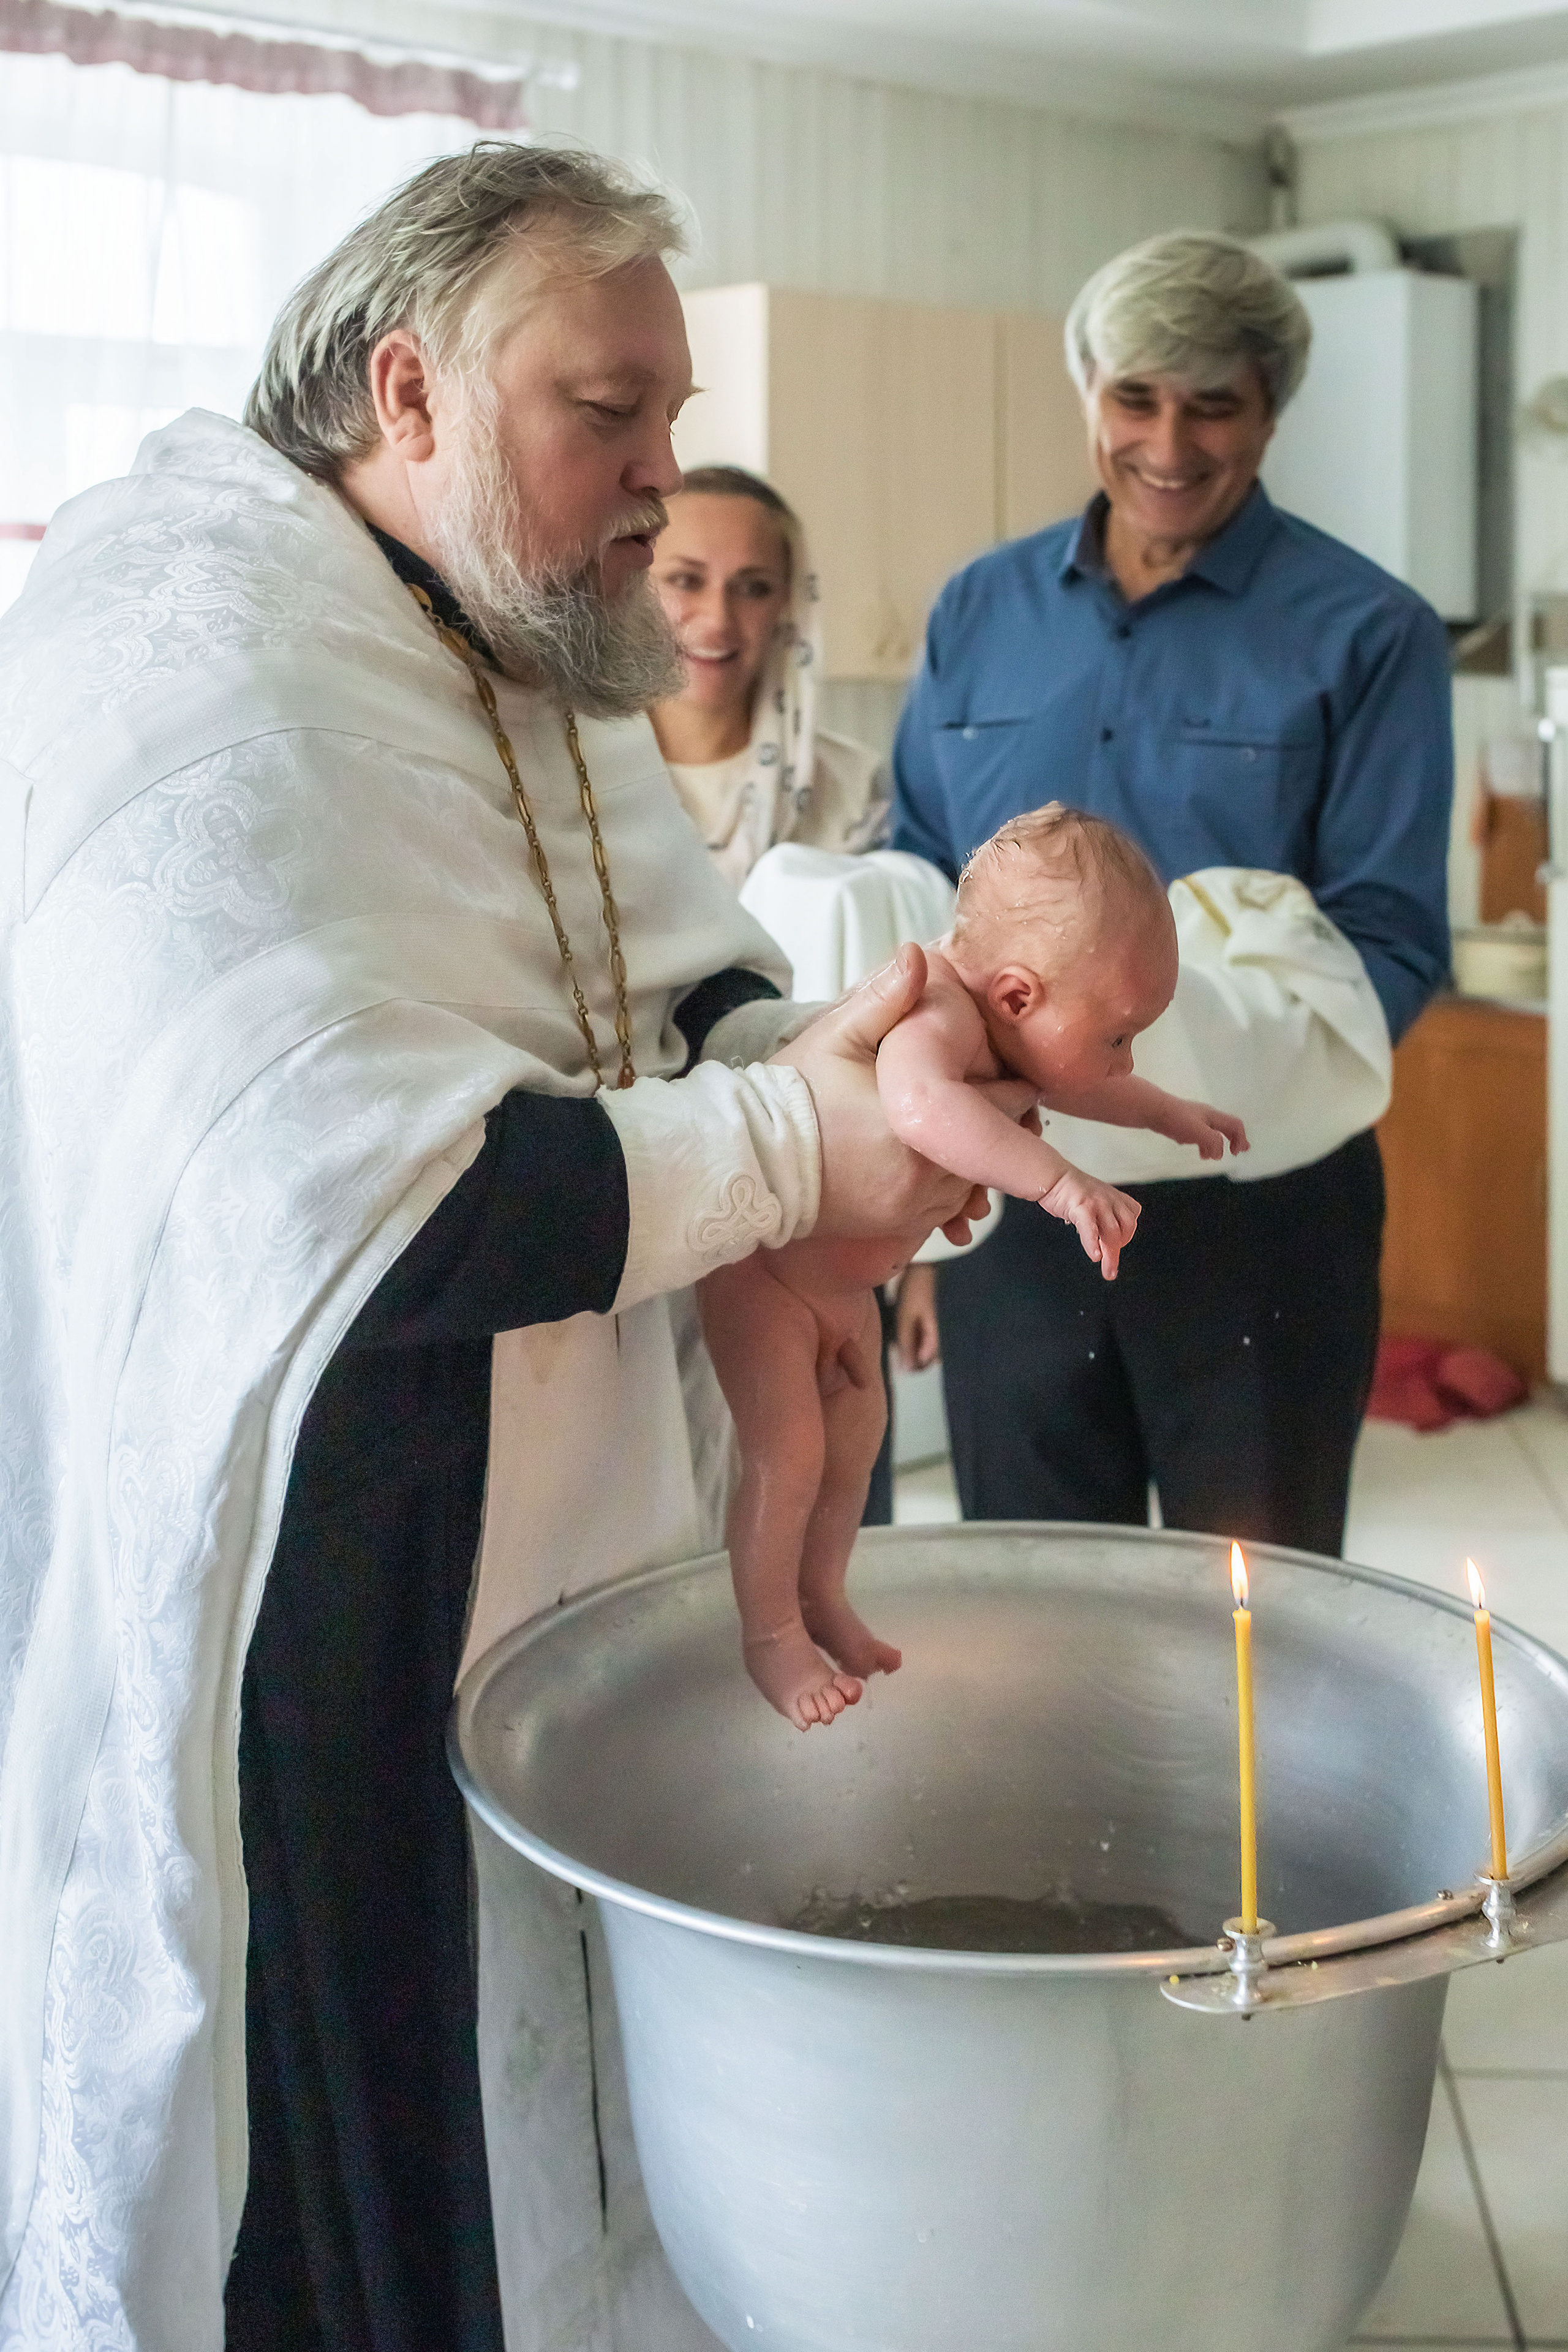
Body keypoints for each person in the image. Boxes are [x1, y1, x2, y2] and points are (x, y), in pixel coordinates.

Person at [0, 144, 984, 2352]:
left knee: (568, 2115)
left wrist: (850, 1068)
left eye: (665, 411)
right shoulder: (186, 647)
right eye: (605, 413)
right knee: (365, 2155)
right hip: (327, 1580)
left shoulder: (499, 619)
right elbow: (329, 1191)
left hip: (558, 1543)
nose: (662, 476)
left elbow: (680, 965)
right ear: (409, 390)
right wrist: (786, 1139)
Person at [894, 229, 1453, 1556]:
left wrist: (1181, 1066)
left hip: (1253, 1203)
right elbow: (913, 884)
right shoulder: (977, 612)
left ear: (1268, 411)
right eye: (1134, 398)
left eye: (1213, 405)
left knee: (1249, 1621)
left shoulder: (1368, 632)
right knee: (1034, 1598)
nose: (1168, 442)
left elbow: (1384, 943)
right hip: (1015, 1209)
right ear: (1087, 391)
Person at [703, 802, 1247, 1731]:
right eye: (1120, 1033)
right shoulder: (935, 1010)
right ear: (1019, 996)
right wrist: (1060, 1185)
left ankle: (825, 1594)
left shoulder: (1015, 1026)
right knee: (788, 1457)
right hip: (767, 1282)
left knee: (854, 1446)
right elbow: (917, 1109)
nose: (1129, 1056)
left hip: (841, 1289)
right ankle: (770, 1637)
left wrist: (1166, 1114)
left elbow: (1080, 1080)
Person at [647, 464, 889, 886]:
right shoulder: (572, 778)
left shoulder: (855, 792)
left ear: (789, 606)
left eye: (754, 588)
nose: (718, 620)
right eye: (686, 580)